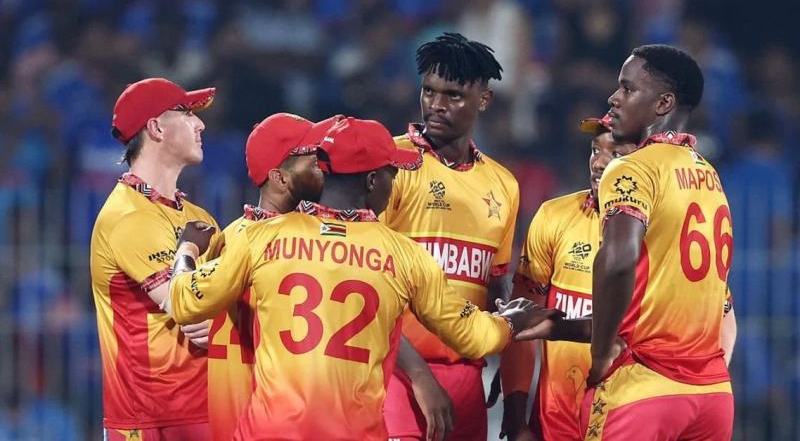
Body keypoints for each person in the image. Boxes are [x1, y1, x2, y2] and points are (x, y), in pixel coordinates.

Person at [164, 117, 557, 441]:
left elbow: (185, 301)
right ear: (372, 182)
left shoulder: (261, 237)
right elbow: (474, 337)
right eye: (391, 173)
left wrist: (187, 250)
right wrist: (511, 322)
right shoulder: (402, 255)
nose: (395, 182)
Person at [582, 45, 733, 440]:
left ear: (664, 103)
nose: (614, 98)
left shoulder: (632, 168)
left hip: (645, 383)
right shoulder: (709, 174)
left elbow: (618, 262)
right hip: (712, 393)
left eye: (628, 88)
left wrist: (600, 353)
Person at [381, 32, 520, 441]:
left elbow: (496, 285)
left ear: (484, 100)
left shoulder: (504, 184)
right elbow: (370, 283)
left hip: (466, 377)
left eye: (453, 95)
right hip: (396, 371)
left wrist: (508, 369)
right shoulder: (391, 164)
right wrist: (420, 378)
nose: (436, 105)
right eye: (429, 91)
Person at [90, 78, 219, 440]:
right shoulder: (128, 217)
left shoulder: (199, 217)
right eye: (187, 113)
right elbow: (189, 308)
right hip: (148, 422)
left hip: (206, 408)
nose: (200, 124)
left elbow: (223, 313)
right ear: (156, 128)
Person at [499, 115, 639, 441]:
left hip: (629, 422)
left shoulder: (663, 231)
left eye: (616, 154)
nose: (599, 163)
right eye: (595, 150)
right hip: (555, 425)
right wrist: (516, 416)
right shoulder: (554, 216)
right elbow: (521, 323)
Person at [205, 113, 335, 441]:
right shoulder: (295, 244)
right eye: (314, 161)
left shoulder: (232, 235)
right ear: (280, 178)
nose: (325, 168)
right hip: (264, 420)